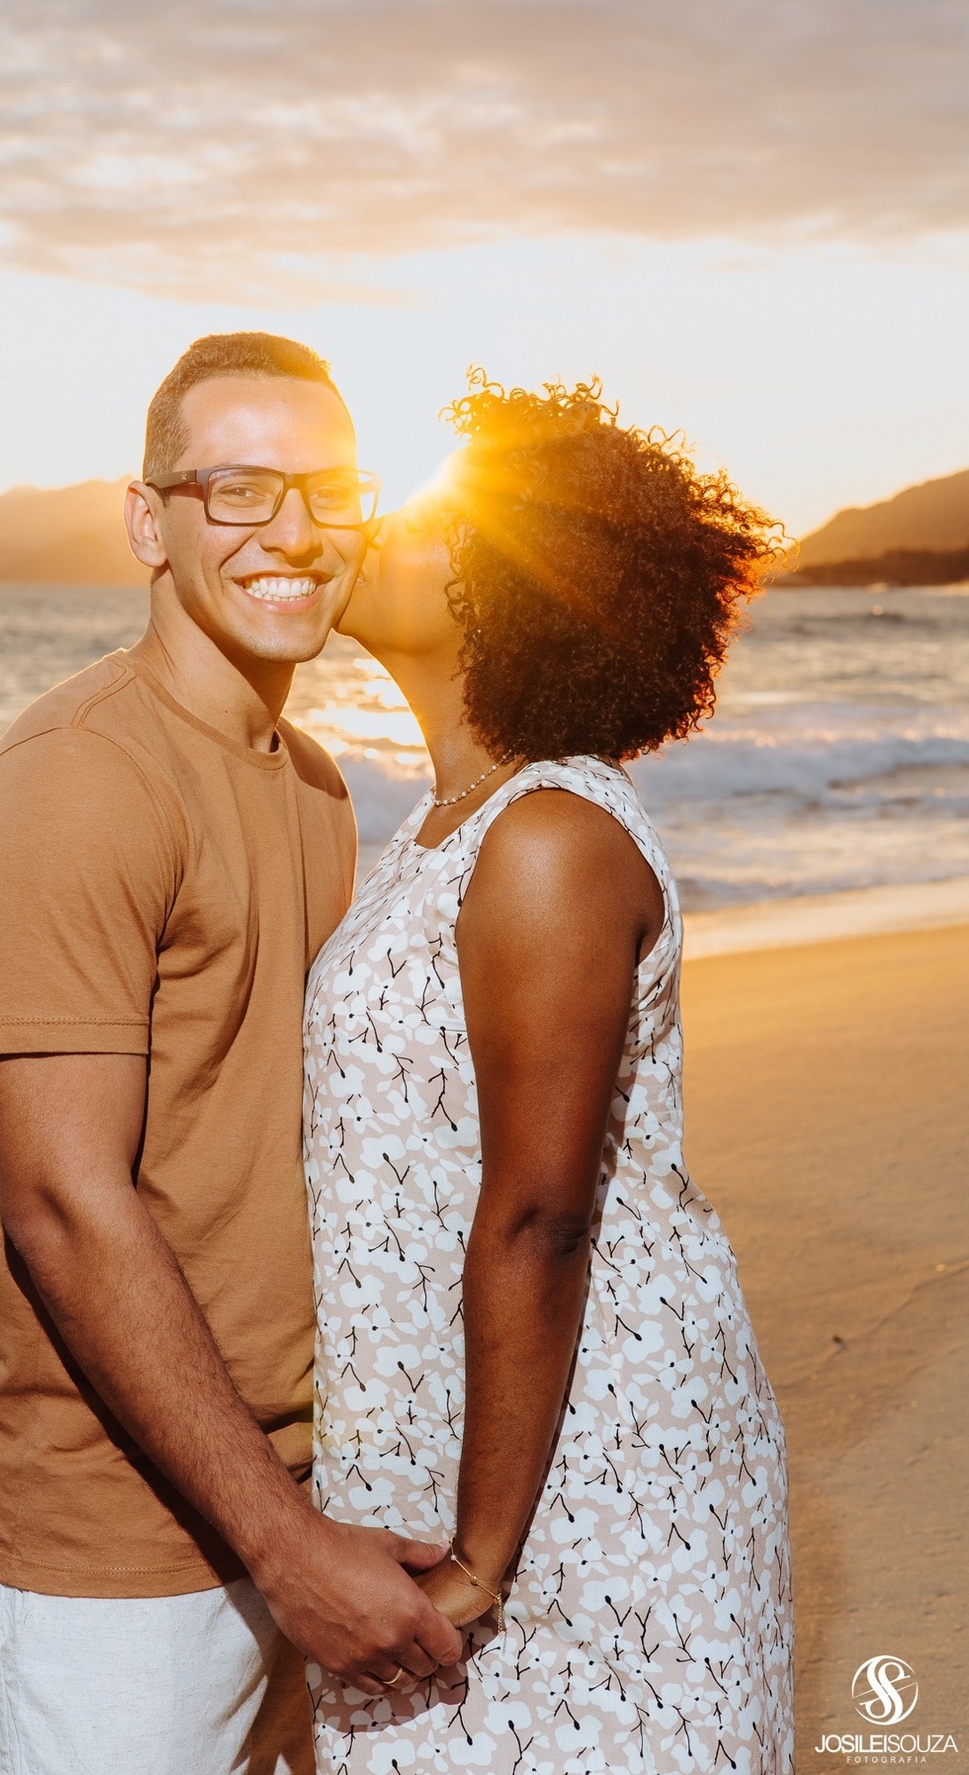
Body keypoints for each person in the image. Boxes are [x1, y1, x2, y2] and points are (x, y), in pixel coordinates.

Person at [0, 332, 461, 1775]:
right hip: (121, 1545)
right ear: (147, 521)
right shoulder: (80, 779)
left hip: (303, 1492)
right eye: (237, 489)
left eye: (328, 490)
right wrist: (285, 1546)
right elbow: (63, 1206)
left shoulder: (315, 785)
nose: (293, 533)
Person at [304, 373, 793, 1772]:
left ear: (505, 592)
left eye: (423, 523)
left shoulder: (547, 840)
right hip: (464, 1442)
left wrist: (482, 1558)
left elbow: (540, 1213)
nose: (371, 531)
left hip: (583, 1485)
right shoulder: (448, 824)